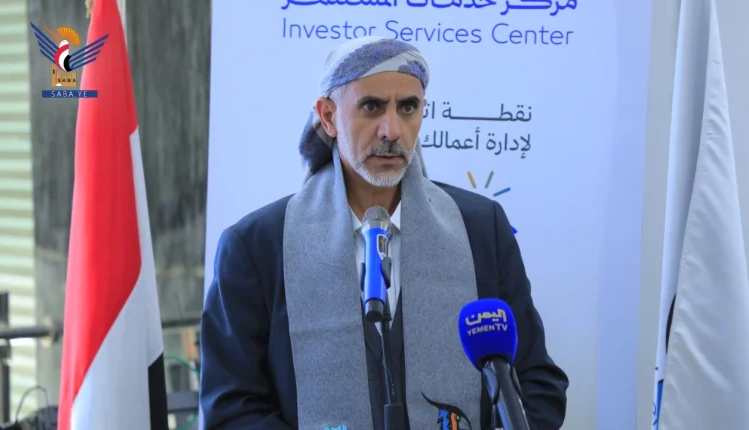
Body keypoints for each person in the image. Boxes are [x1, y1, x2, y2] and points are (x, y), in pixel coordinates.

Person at [199, 36, 569, 430]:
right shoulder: (256, 247)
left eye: (408, 107)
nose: (391, 130)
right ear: (328, 116)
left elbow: (536, 384)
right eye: (372, 106)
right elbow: (231, 408)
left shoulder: (481, 229)